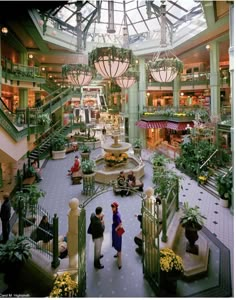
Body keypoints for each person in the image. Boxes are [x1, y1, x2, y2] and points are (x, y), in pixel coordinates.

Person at [111, 202, 123, 269]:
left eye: (113, 207)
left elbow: (120, 223)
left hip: (117, 231)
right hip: (117, 231)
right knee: (116, 243)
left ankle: (120, 263)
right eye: (112, 207)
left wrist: (116, 228)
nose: (112, 208)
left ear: (116, 207)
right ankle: (117, 253)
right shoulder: (115, 213)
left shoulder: (117, 215)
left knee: (118, 245)